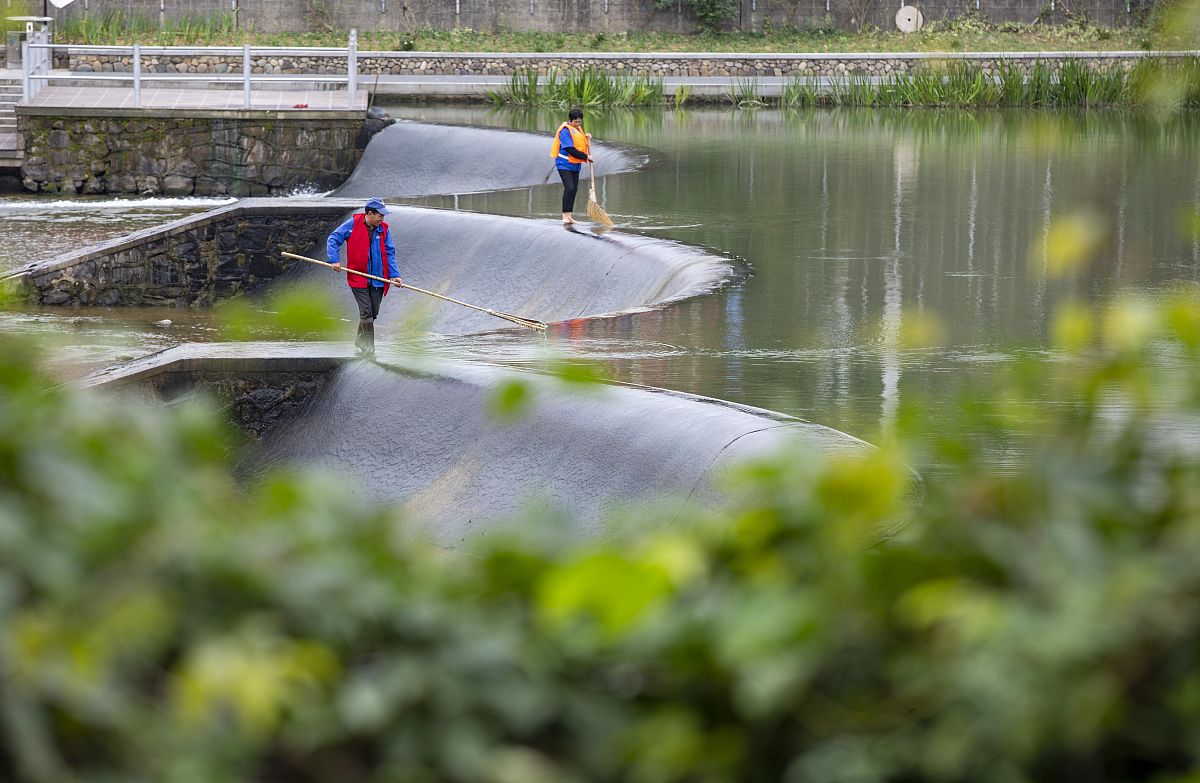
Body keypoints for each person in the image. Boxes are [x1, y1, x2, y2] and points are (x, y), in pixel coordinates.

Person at [326, 197, 403, 357]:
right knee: (366, 312)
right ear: (370, 213)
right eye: (380, 215)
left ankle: (360, 340)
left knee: (373, 313)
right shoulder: (352, 224)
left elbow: (390, 252)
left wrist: (395, 275)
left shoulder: (384, 229)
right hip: (358, 277)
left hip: (378, 279)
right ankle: (369, 349)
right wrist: (334, 260)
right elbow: (333, 239)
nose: (382, 218)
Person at [551, 106, 592, 224]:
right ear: (570, 120)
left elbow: (579, 141)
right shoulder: (565, 131)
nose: (578, 123)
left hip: (575, 164)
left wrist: (586, 137)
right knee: (569, 188)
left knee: (574, 190)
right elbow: (570, 149)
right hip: (564, 164)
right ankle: (564, 216)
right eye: (576, 121)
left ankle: (569, 216)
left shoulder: (577, 129)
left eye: (580, 121)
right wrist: (586, 157)